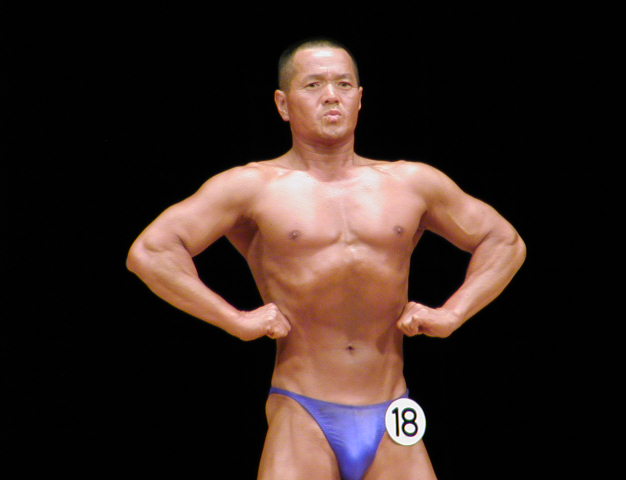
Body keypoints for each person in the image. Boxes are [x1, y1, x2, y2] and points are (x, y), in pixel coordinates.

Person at [126, 37, 526, 480]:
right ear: (283, 104)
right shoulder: (252, 187)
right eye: (313, 84)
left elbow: (503, 241)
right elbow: (152, 251)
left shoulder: (412, 183)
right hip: (303, 409)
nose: (331, 96)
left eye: (343, 84)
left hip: (393, 409)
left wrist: (453, 313)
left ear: (360, 99)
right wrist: (234, 320)